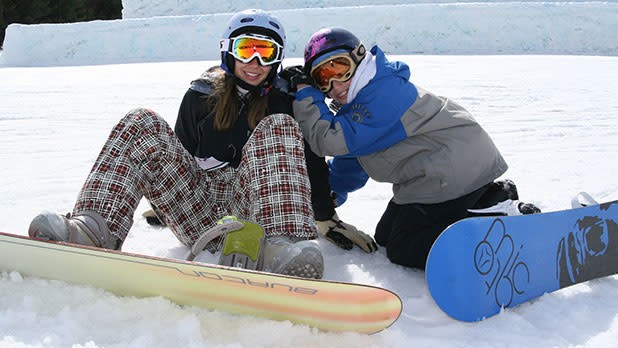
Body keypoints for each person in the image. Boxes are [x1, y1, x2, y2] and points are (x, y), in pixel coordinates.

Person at [28, 9, 325, 278]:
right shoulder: (201, 95)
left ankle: (281, 250)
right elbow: (176, 158)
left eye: (266, 51)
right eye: (246, 49)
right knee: (142, 121)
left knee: (280, 125)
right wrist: (158, 197)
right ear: (228, 51)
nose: (255, 62)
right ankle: (92, 230)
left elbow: (305, 164)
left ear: (278, 57)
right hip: (201, 213)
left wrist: (327, 215)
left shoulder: (287, 100)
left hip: (259, 218)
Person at [290, 27, 541, 270]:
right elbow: (351, 162)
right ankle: (490, 198)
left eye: (339, 67)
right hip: (441, 169)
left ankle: (500, 225)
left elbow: (328, 140)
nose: (335, 83)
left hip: (451, 167)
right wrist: (324, 202)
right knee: (387, 236)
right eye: (322, 78)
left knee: (405, 247)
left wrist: (305, 95)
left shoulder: (381, 94)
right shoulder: (364, 100)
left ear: (359, 58)